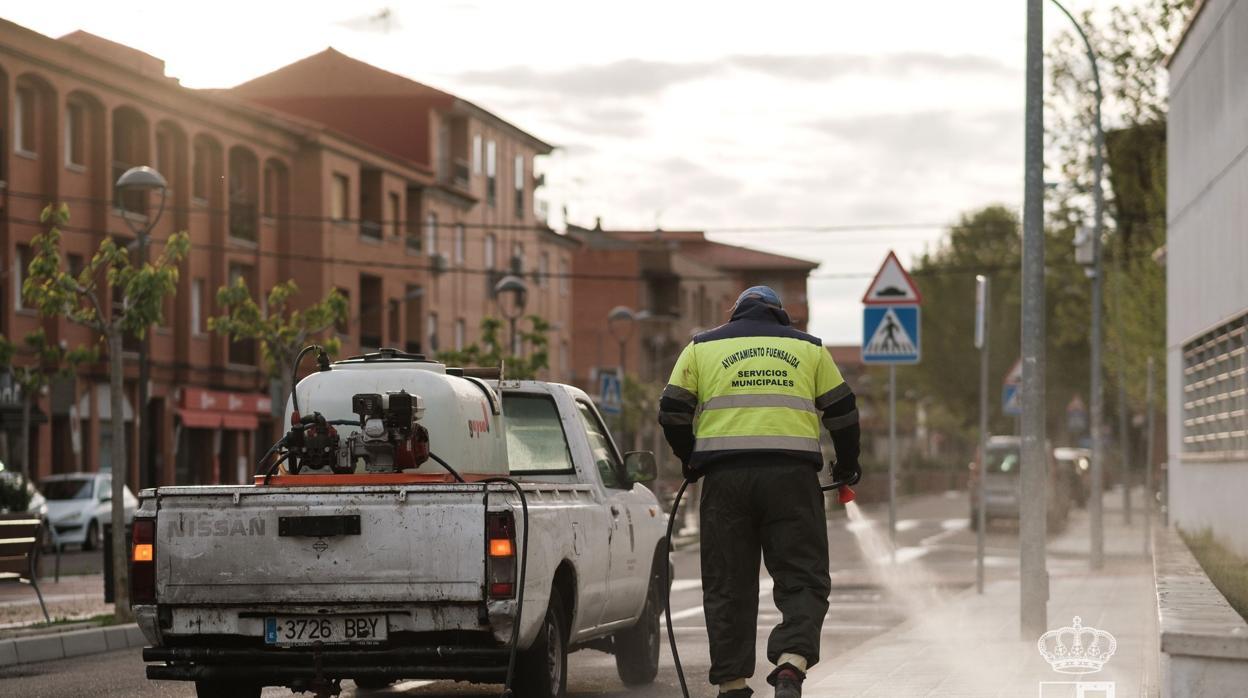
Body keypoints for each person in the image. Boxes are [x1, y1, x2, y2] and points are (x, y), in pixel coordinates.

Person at [658, 286, 861, 698]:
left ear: (734, 313)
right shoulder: (810, 349)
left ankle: (732, 685)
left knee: (727, 584)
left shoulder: (701, 348)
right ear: (781, 315)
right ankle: (791, 663)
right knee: (802, 576)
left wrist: (691, 457)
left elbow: (671, 411)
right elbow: (843, 412)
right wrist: (847, 464)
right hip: (792, 479)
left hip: (725, 482)